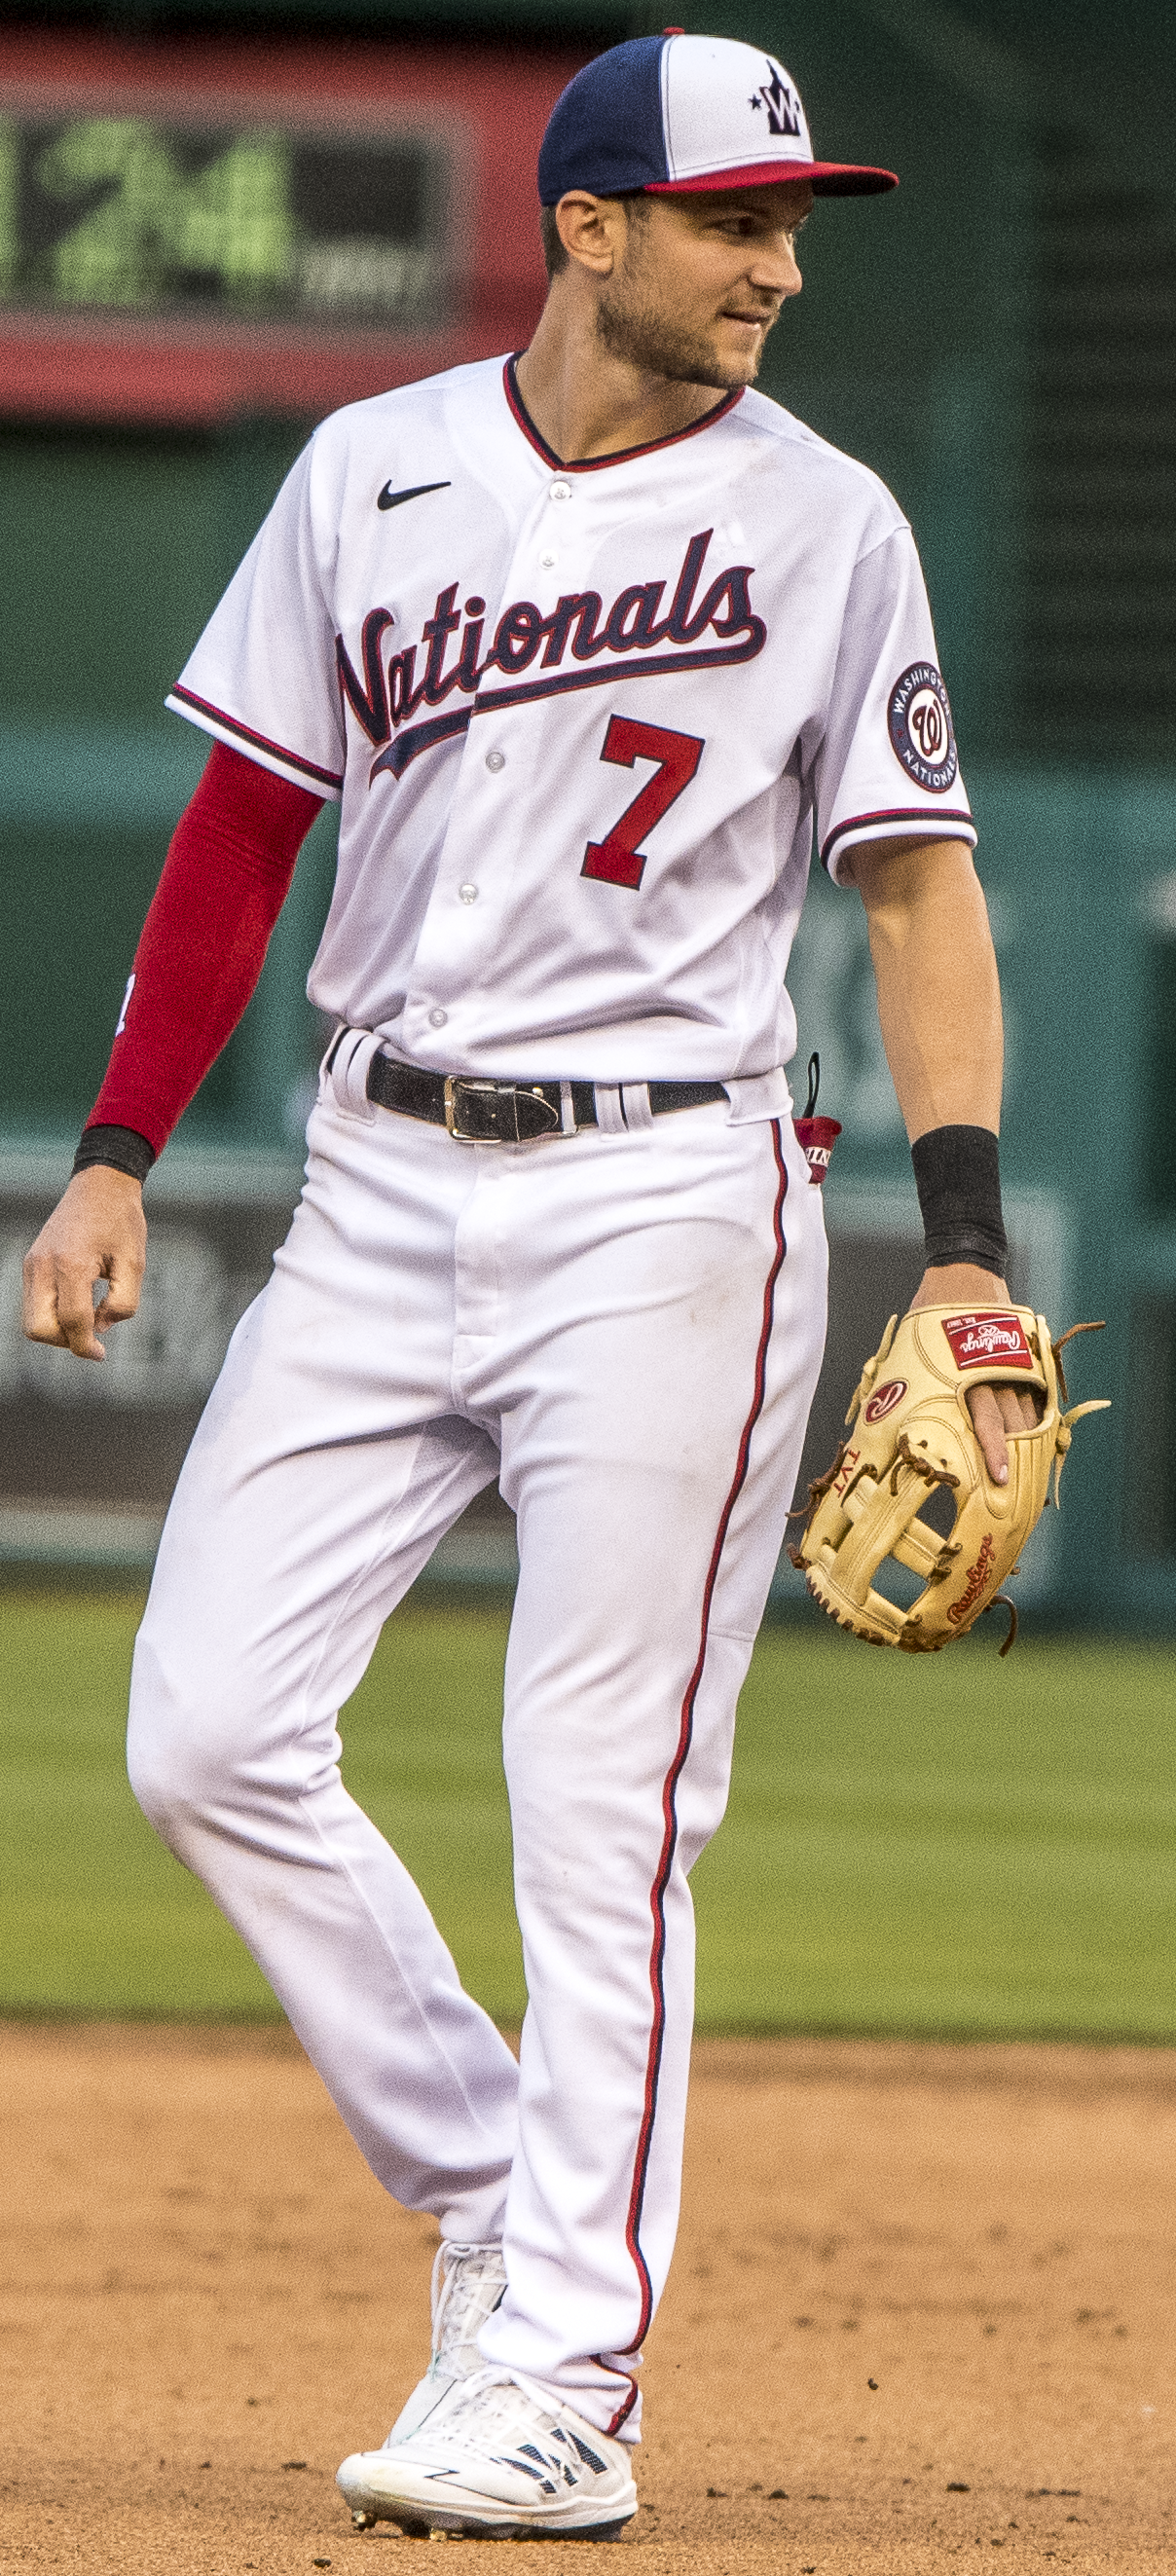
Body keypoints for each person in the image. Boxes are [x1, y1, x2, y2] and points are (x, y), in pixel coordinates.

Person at [22, 31, 1037, 2543]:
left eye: (796, 224)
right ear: (592, 228)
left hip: (671, 1210)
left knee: (603, 1814)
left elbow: (918, 886)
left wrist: (979, 1243)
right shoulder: (368, 469)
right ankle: (496, 2180)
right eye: (734, 220)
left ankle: (568, 2374)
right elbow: (246, 819)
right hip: (374, 1180)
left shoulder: (838, 527)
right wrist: (120, 1150)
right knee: (205, 1734)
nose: (781, 264)